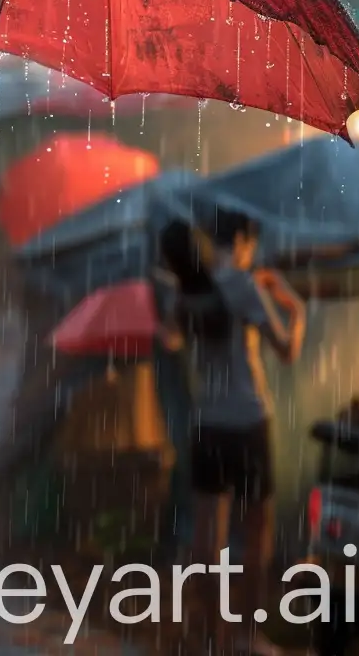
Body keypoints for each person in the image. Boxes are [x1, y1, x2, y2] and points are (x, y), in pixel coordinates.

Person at [179, 209, 305, 656]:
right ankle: (248, 638)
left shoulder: (192, 286)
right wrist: (295, 305)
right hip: (248, 422)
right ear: (244, 242)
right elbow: (287, 350)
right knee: (256, 534)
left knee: (207, 536)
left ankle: (210, 635)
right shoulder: (244, 285)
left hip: (207, 424)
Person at [152, 217, 212, 561]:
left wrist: (164, 326)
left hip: (196, 405)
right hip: (220, 407)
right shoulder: (212, 288)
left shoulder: (182, 296)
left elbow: (171, 341)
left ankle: (183, 548)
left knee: (189, 480)